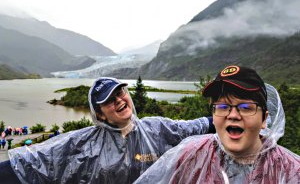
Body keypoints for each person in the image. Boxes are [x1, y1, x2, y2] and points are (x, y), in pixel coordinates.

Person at [0, 77, 215, 183]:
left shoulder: (156, 128)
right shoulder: (85, 143)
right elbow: (37, 161)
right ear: (100, 114)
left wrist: (232, 115)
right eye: (109, 101)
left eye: (120, 93)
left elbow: (196, 126)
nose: (119, 101)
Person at [135, 65, 300, 183]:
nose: (233, 115)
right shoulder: (189, 156)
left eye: (245, 107)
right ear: (213, 116)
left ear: (264, 119)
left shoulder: (292, 171)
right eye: (222, 107)